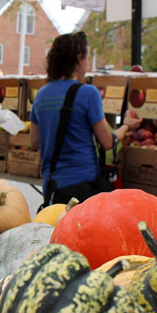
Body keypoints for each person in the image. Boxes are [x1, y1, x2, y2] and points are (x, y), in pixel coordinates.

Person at [30, 31, 142, 205]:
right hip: (83, 189)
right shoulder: (88, 93)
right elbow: (106, 141)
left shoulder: (41, 95)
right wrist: (126, 126)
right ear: (79, 58)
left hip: (53, 187)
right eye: (87, 60)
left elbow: (35, 142)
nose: (87, 66)